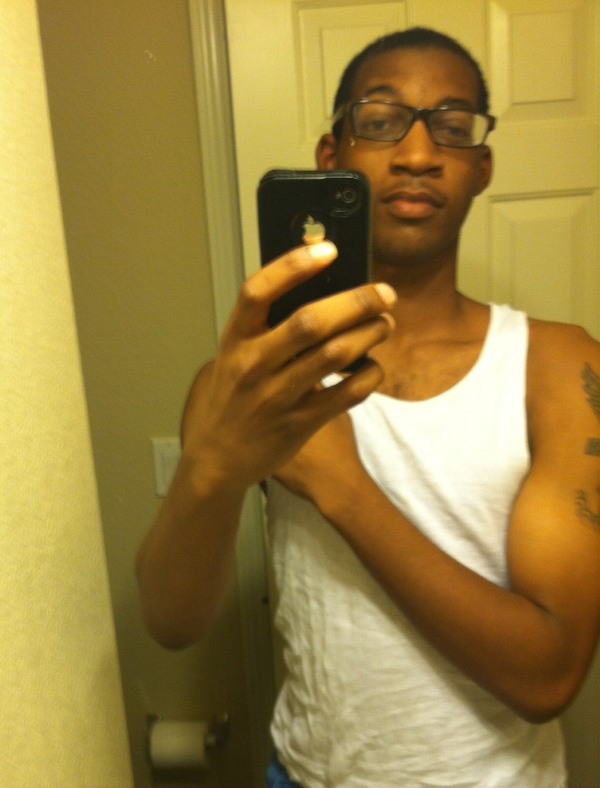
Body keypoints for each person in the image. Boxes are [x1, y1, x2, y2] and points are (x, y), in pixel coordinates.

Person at [137, 27, 600, 788]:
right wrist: (211, 466)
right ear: (333, 157)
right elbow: (171, 621)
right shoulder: (254, 384)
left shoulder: (559, 368)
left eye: (452, 127)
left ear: (482, 168)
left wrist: (343, 488)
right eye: (381, 121)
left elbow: (548, 676)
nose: (418, 154)